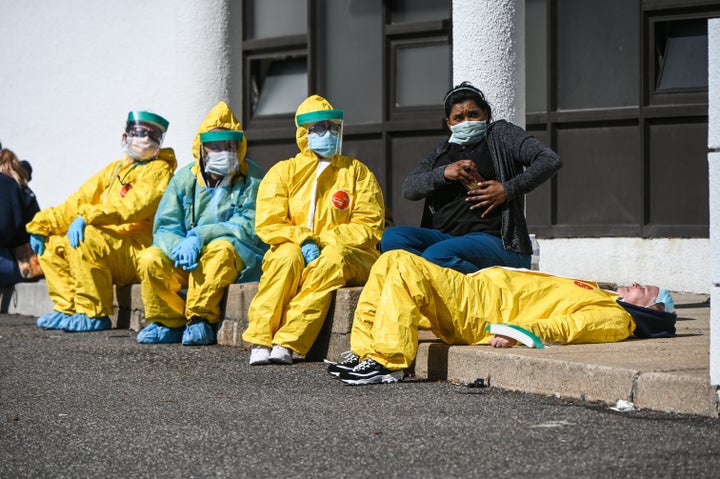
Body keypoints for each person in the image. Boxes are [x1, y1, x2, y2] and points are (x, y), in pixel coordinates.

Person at [328, 250, 677, 385]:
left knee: (403, 264)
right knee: (389, 260)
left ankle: (387, 361)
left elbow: (565, 327)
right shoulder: (602, 294)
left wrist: (519, 332)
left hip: (482, 309)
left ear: (650, 310)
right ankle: (366, 351)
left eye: (643, 289)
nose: (635, 284)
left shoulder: (616, 318)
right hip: (477, 292)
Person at [242, 94, 385, 365]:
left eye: (333, 127)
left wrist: (323, 241)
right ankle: (260, 339)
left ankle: (288, 340)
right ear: (303, 133)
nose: (328, 133)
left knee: (332, 260)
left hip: (352, 255)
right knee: (285, 259)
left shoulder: (357, 172)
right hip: (294, 246)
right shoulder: (283, 172)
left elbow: (369, 225)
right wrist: (303, 239)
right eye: (319, 128)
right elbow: (269, 222)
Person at [379, 82, 562, 273]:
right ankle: (435, 280)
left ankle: (480, 290)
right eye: (458, 117)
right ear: (449, 123)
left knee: (437, 256)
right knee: (392, 239)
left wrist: (507, 190)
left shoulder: (501, 135)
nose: (466, 121)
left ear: (486, 114)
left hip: (496, 241)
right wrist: (444, 173)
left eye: (473, 114)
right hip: (444, 237)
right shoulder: (443, 151)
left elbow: (549, 160)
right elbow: (409, 188)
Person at [27, 111, 177, 332]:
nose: (145, 139)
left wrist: (87, 217)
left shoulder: (159, 171)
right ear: (126, 135)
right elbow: (77, 202)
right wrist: (42, 224)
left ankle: (93, 313)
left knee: (85, 238)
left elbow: (133, 207)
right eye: (139, 132)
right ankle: (67, 308)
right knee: (53, 243)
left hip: (136, 248)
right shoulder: (115, 170)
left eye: (153, 135)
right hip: (112, 246)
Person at [135, 101, 266, 346]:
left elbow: (248, 224)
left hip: (232, 256)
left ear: (240, 147)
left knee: (221, 250)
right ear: (202, 149)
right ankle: (168, 321)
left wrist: (200, 236)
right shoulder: (185, 178)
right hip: (188, 254)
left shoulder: (253, 177)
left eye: (229, 146)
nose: (223, 152)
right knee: (150, 258)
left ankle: (199, 319)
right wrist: (179, 245)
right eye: (215, 146)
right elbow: (166, 225)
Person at [0, 147, 42, 287]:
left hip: (23, 263)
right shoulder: (17, 183)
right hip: (34, 261)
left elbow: (3, 229)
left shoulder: (4, 183)